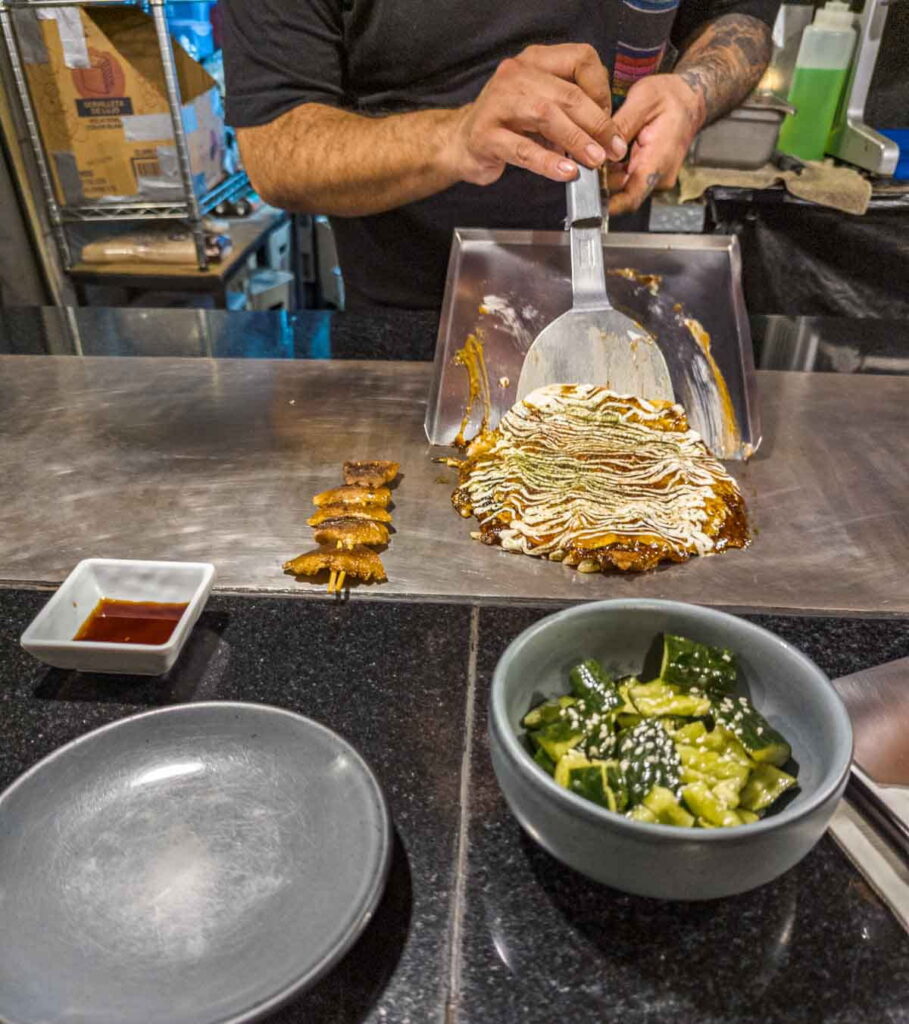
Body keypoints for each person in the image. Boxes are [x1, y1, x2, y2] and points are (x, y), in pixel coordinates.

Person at [223, 0, 778, 309]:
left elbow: (738, 18)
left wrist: (693, 92)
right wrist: (456, 136)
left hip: (620, 281)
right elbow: (275, 146)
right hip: (413, 307)